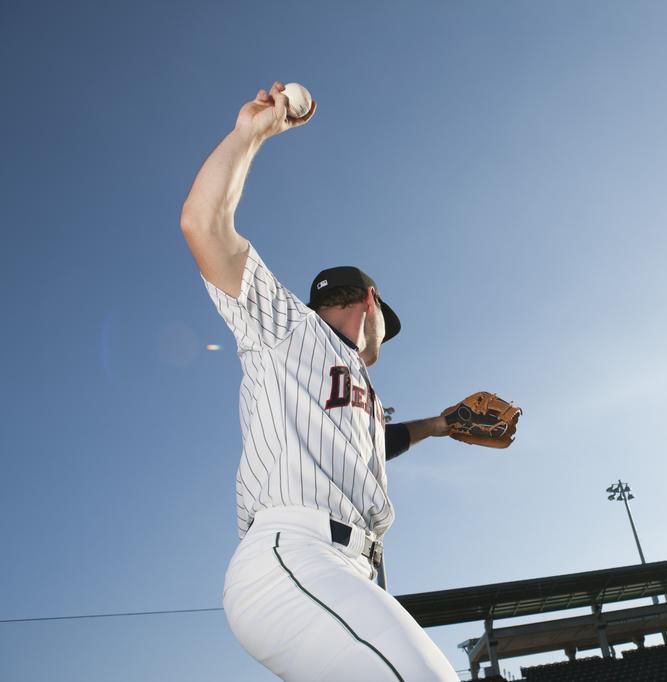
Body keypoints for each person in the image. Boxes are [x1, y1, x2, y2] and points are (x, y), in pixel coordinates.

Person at [181, 81, 461, 681]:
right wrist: (250, 134)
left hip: (353, 570)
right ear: (370, 302)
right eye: (386, 324)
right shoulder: (289, 329)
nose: (385, 339)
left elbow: (372, 448)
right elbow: (203, 226)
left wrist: (437, 426)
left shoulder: (354, 387)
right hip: (294, 555)